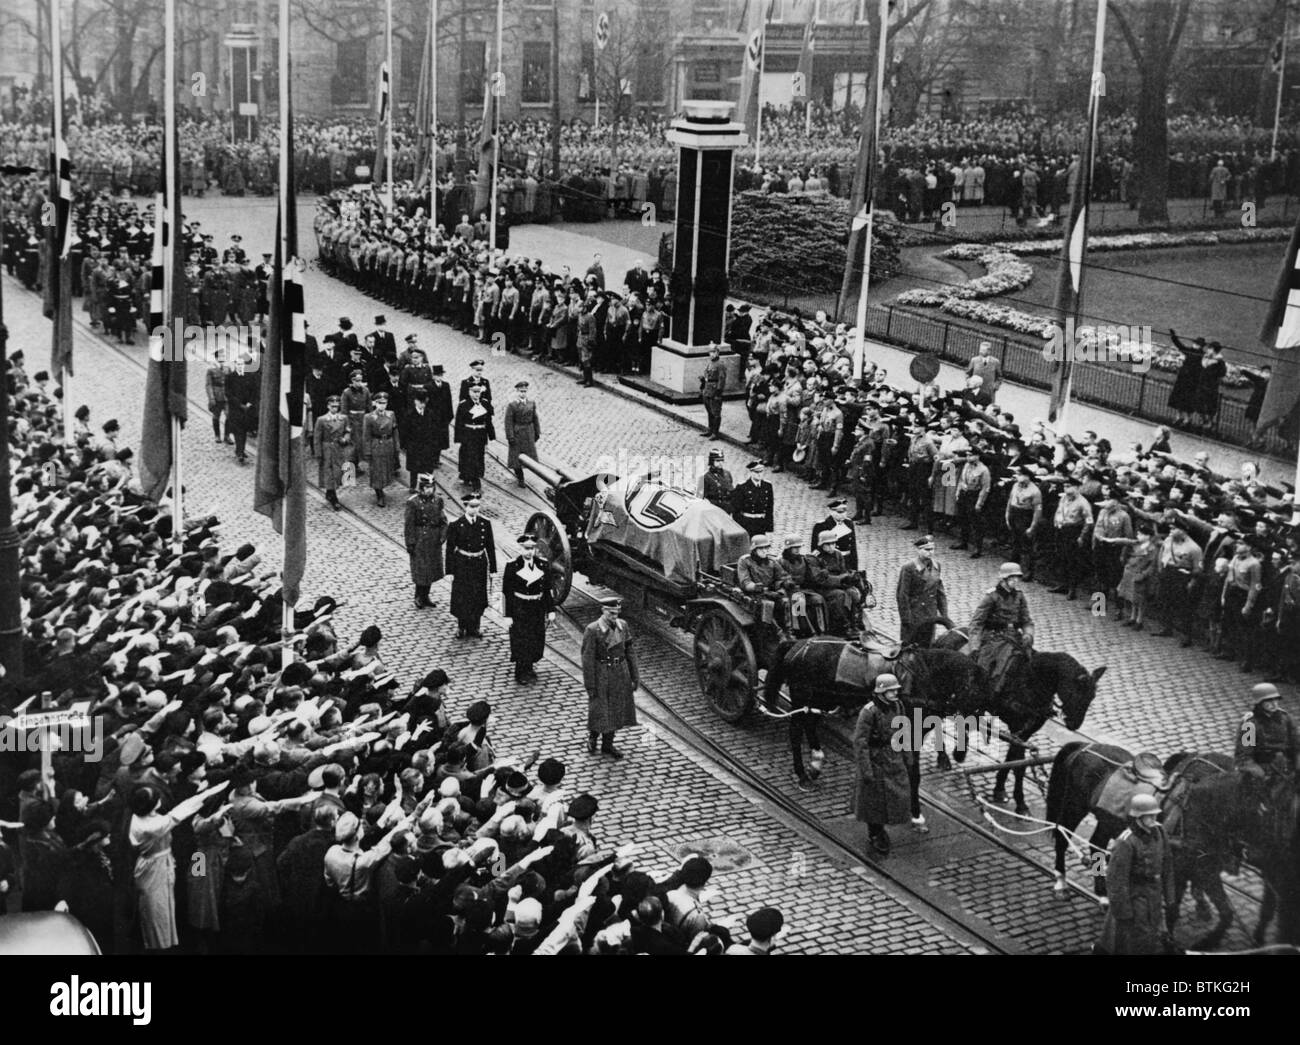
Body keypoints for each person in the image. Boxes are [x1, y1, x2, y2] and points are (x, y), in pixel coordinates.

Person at [1095, 794, 1174, 956]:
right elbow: (1116, 879)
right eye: (1149, 816)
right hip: (1134, 896)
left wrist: (1170, 896)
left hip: (1153, 894)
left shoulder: (1159, 831)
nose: (1153, 819)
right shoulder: (1126, 842)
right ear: (1138, 817)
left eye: (1155, 815)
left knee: (1149, 932)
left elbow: (1167, 865)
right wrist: (1123, 912)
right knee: (1137, 936)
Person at [852, 674, 914, 856]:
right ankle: (875, 832)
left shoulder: (898, 706)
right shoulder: (869, 711)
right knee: (874, 801)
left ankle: (883, 827)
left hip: (893, 756)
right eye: (891, 690)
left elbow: (903, 732)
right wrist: (866, 770)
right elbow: (860, 742)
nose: (895, 693)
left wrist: (908, 756)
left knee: (897, 795)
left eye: (896, 689)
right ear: (881, 692)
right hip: (875, 759)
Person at [581, 597, 639, 759]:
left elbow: (630, 652)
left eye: (617, 613)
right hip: (602, 674)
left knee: (615, 709)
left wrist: (635, 676)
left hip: (620, 673)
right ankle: (593, 736)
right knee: (600, 709)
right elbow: (587, 659)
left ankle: (608, 744)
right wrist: (590, 685)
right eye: (611, 613)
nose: (614, 616)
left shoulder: (623, 626)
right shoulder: (592, 630)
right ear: (603, 611)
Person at [968, 562, 1034, 697]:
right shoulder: (992, 596)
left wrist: (1028, 634)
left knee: (1031, 662)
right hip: (994, 637)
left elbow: (1026, 620)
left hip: (1014, 636)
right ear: (1004, 579)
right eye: (1012, 578)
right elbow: (976, 623)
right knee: (988, 668)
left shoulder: (1019, 596)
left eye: (1017, 578)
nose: (1016, 581)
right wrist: (974, 645)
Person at [502, 532, 556, 684]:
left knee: (535, 638)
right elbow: (506, 592)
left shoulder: (543, 565)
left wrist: (551, 611)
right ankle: (520, 671)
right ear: (521, 548)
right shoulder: (512, 566)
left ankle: (530, 667)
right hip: (520, 608)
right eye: (526, 548)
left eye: (532, 548)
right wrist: (507, 615)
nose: (529, 552)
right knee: (521, 639)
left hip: (537, 608)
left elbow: (547, 590)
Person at [1233, 683, 1298, 798]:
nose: (1274, 704)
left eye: (1276, 700)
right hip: (1263, 767)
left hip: (1285, 765)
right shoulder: (1250, 725)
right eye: (1268, 701)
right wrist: (1260, 773)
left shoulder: (1286, 718)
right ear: (1259, 703)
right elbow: (1244, 756)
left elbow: (1296, 745)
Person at [444, 493, 496, 638]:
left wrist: (493, 569)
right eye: (471, 507)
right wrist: (450, 571)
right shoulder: (456, 524)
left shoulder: (485, 523)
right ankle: (462, 626)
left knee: (478, 596)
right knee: (463, 596)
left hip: (479, 563)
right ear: (465, 507)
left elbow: (490, 547)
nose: (474, 510)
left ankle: (475, 626)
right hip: (463, 564)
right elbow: (449, 549)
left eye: (477, 506)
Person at [896, 535, 950, 648]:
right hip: (915, 614)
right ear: (918, 550)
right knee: (910, 648)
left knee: (927, 646)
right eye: (927, 550)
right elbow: (902, 595)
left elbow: (940, 592)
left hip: (930, 613)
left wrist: (944, 616)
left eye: (932, 549)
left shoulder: (936, 566)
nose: (930, 553)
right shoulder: (909, 567)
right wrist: (906, 619)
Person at [404, 475, 446, 609]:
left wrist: (442, 536)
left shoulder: (438, 500)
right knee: (421, 569)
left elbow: (443, 520)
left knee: (432, 569)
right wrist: (410, 543)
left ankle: (426, 595)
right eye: (427, 487)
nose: (429, 490)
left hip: (433, 540)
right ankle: (418, 596)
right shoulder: (413, 502)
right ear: (421, 488)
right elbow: (409, 524)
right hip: (420, 540)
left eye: (431, 487)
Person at [454, 384, 495, 494]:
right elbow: (459, 423)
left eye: (478, 392)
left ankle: (471, 476)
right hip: (468, 435)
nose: (476, 395)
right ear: (469, 392)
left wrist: (491, 436)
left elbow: (488, 421)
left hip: (480, 435)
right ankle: (474, 481)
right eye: (474, 392)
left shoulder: (485, 404)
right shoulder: (463, 405)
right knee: (469, 457)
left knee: (479, 457)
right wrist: (459, 438)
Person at [362, 392, 399, 507]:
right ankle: (379, 493)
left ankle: (382, 488)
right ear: (375, 403)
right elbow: (366, 436)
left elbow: (395, 431)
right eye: (380, 403)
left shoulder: (391, 415)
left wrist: (396, 446)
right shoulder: (369, 417)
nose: (382, 406)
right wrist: (367, 452)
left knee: (386, 469)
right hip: (376, 445)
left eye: (384, 403)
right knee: (377, 470)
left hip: (388, 444)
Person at [503, 380, 540, 487]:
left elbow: (535, 418)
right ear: (517, 392)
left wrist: (537, 432)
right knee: (516, 458)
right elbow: (508, 422)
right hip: (517, 432)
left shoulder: (531, 403)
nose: (522, 393)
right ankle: (520, 478)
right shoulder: (512, 405)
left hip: (528, 432)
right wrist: (510, 436)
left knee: (530, 457)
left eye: (524, 391)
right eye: (520, 391)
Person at [811, 497, 859, 570]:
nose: (843, 514)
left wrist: (855, 568)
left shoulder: (849, 523)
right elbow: (816, 548)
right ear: (832, 512)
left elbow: (853, 547)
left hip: (847, 560)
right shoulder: (822, 525)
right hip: (831, 561)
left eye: (844, 511)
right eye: (839, 512)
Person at [731, 461, 774, 537]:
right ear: (751, 472)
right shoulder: (742, 487)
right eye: (756, 472)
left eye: (761, 472)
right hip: (747, 523)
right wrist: (740, 526)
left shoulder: (767, 486)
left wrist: (769, 526)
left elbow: (770, 507)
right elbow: (736, 509)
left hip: (761, 523)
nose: (759, 474)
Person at [700, 345, 726, 439]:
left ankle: (715, 432)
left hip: (715, 390)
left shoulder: (720, 365)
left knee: (715, 412)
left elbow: (721, 379)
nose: (712, 354)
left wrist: (718, 392)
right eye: (710, 352)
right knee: (709, 411)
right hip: (707, 389)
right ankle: (710, 429)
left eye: (714, 352)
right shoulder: (710, 363)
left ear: (717, 353)